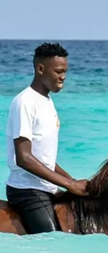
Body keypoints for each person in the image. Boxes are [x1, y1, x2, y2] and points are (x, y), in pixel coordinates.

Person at [5, 42, 89, 234]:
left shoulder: (47, 101)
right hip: (27, 190)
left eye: (65, 71)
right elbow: (24, 158)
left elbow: (45, 159)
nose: (63, 77)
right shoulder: (25, 102)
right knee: (52, 241)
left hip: (47, 188)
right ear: (40, 69)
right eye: (58, 71)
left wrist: (73, 181)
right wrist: (69, 184)